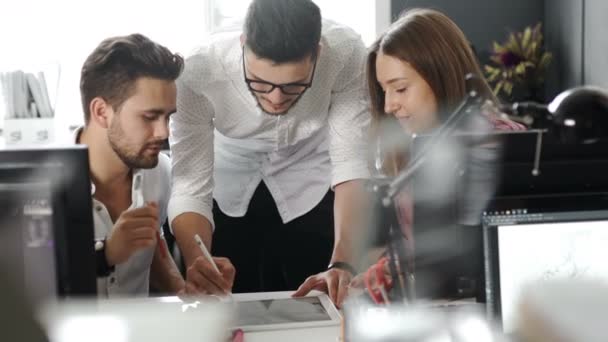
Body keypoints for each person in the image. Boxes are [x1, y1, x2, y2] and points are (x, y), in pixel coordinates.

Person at [169, 0, 370, 306]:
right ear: (243, 45)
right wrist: (198, 259)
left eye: (294, 86)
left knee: (320, 299)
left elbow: (351, 161)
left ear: (317, 52)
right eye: (260, 84)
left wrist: (343, 262)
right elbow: (189, 185)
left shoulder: (347, 52)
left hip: (311, 170)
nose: (276, 99)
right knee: (224, 294)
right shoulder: (197, 72)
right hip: (228, 173)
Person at [349, 8, 524, 300]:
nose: (389, 105)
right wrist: (391, 268)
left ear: (441, 76)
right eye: (384, 91)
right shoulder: (415, 150)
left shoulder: (501, 145)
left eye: (401, 89)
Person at [77, 33, 186, 297]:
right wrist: (106, 253)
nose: (164, 132)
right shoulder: (40, 185)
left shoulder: (160, 171)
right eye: (150, 117)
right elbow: (26, 286)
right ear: (102, 112)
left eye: (168, 116)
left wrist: (186, 292)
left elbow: (154, 244)